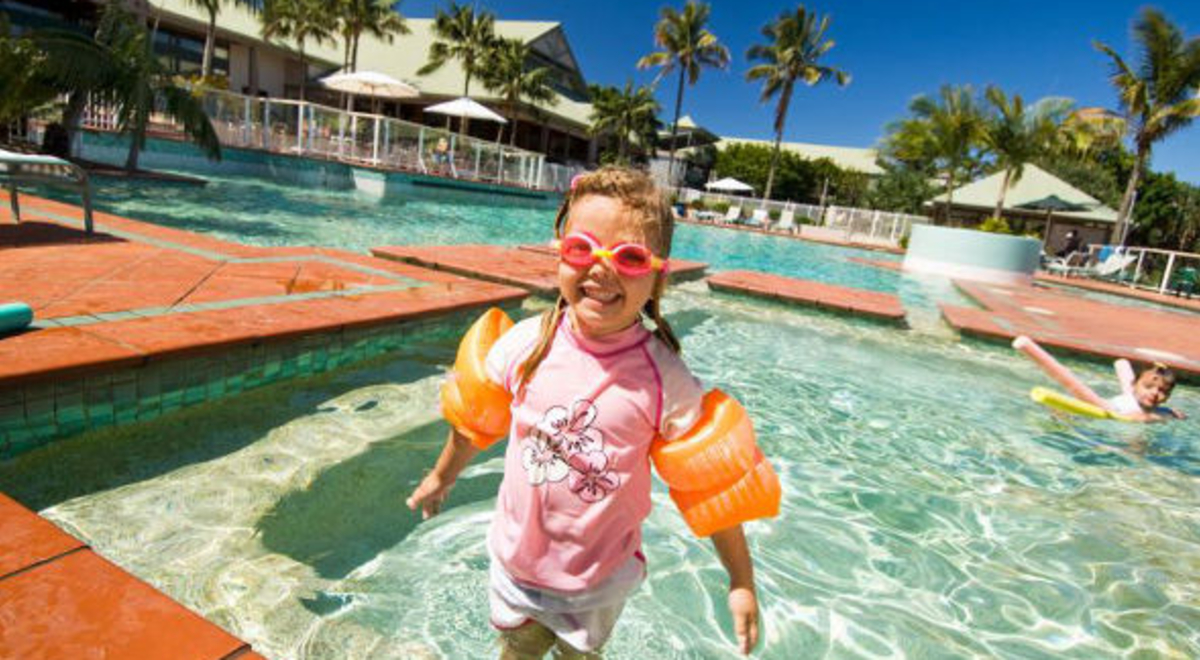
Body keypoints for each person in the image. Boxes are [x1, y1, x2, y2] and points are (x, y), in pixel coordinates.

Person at [407, 167, 778, 658]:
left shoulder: (664, 379)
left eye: (629, 257)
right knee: (515, 649)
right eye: (582, 249)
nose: (601, 269)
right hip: (516, 564)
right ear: (561, 253)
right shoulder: (525, 345)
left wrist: (741, 580)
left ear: (657, 273)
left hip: (595, 583)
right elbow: (475, 424)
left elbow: (710, 485)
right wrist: (441, 476)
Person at [1107, 362, 1187, 422]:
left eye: (1163, 391)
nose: (1155, 393)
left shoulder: (1159, 410)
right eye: (1148, 387)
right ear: (1133, 385)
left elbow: (1178, 415)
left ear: (1168, 397)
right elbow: (1104, 407)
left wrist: (1173, 413)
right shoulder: (1121, 403)